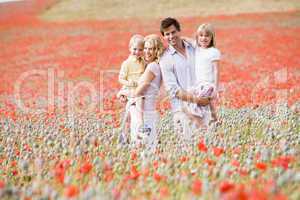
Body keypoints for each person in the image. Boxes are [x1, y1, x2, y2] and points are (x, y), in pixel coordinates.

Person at [159, 17, 210, 142]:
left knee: (208, 147)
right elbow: (173, 90)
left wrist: (192, 40)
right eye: (167, 34)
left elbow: (209, 52)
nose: (171, 36)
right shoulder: (165, 59)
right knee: (188, 149)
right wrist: (198, 100)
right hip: (182, 112)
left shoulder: (193, 48)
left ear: (179, 31)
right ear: (164, 37)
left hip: (203, 109)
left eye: (173, 32)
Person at [183, 23, 221, 127]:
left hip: (209, 83)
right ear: (197, 37)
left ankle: (212, 120)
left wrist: (216, 88)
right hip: (198, 84)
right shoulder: (197, 48)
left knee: (202, 101)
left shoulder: (214, 52)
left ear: (211, 37)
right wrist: (178, 37)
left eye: (207, 36)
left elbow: (216, 70)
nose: (204, 38)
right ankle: (208, 121)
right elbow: (188, 40)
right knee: (190, 101)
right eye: (201, 35)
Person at [131, 34, 164, 152]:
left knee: (143, 151)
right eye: (145, 48)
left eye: (151, 49)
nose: (147, 51)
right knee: (147, 149)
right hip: (146, 112)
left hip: (144, 115)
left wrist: (125, 93)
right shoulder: (155, 66)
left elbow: (139, 92)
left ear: (157, 51)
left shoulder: (152, 67)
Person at [117, 34, 145, 143]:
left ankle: (139, 130)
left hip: (139, 89)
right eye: (134, 49)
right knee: (130, 114)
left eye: (140, 50)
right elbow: (121, 79)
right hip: (130, 89)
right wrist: (130, 83)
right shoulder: (126, 63)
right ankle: (127, 136)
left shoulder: (143, 62)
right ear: (130, 48)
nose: (137, 52)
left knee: (138, 110)